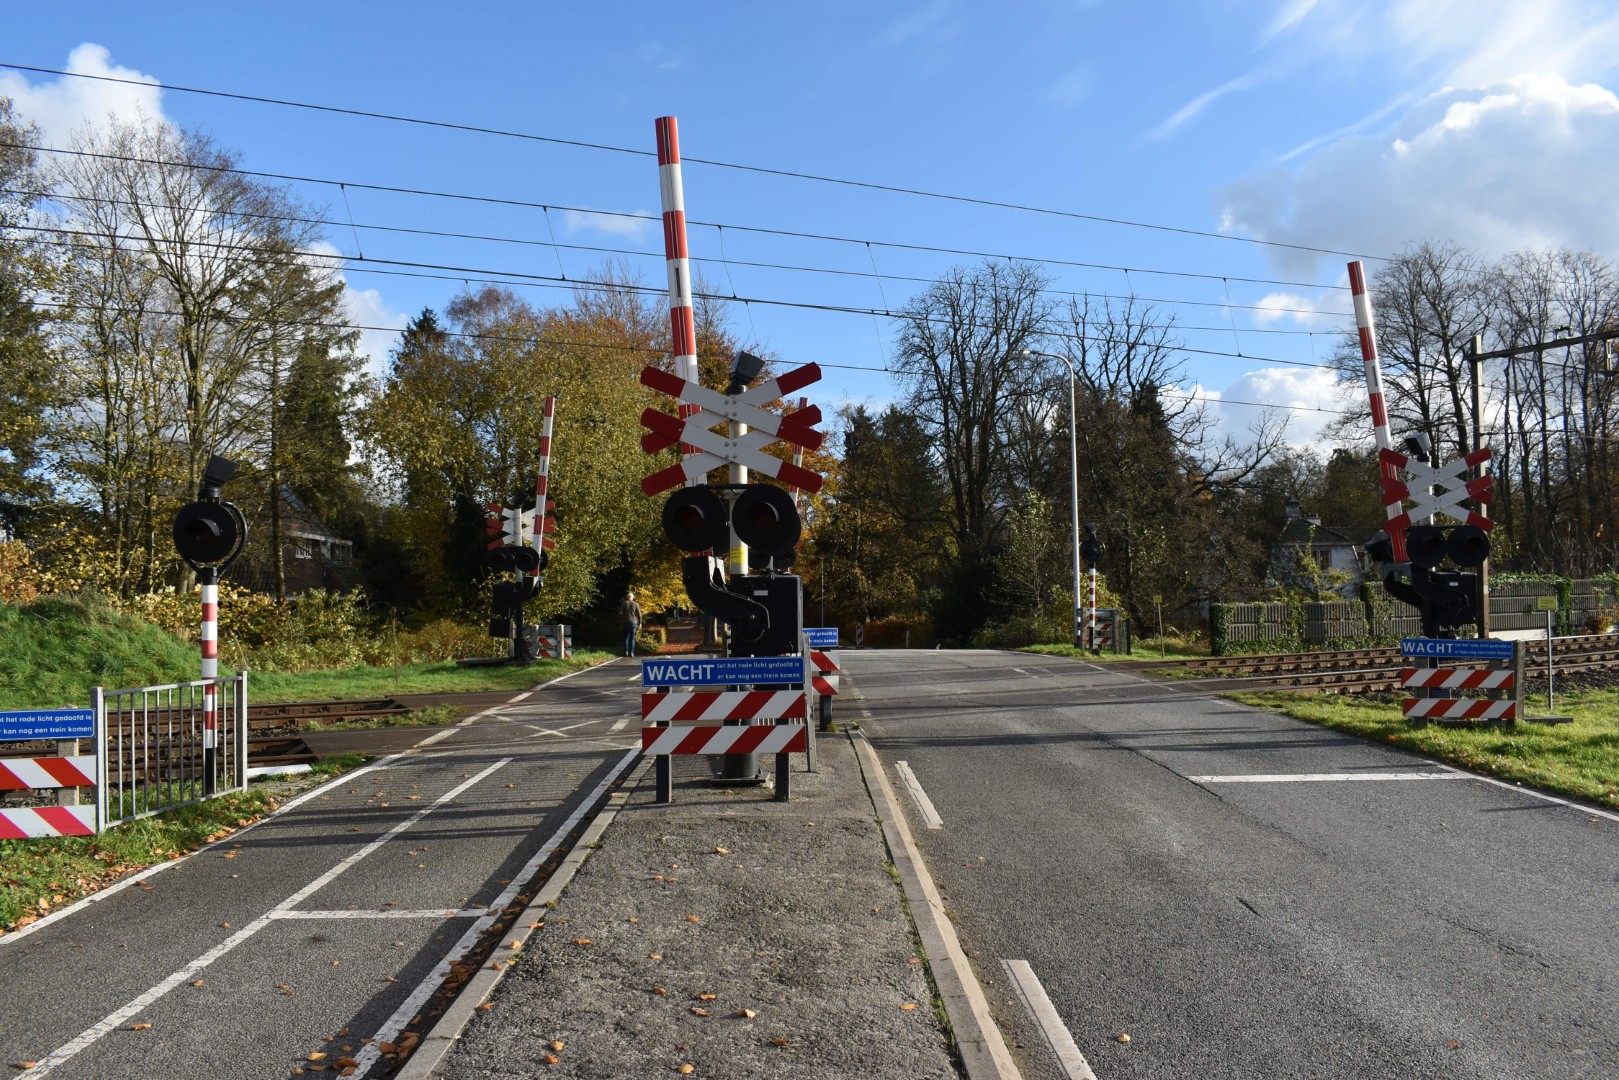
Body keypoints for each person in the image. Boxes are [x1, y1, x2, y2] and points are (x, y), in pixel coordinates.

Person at [619, 591, 642, 656]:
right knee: (632, 638)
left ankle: (626, 652)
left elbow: (620, 613)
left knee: (625, 637)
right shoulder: (636, 604)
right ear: (632, 597)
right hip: (633, 622)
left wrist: (621, 621)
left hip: (625, 622)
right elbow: (639, 614)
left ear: (627, 597)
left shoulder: (624, 603)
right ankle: (631, 652)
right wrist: (640, 623)